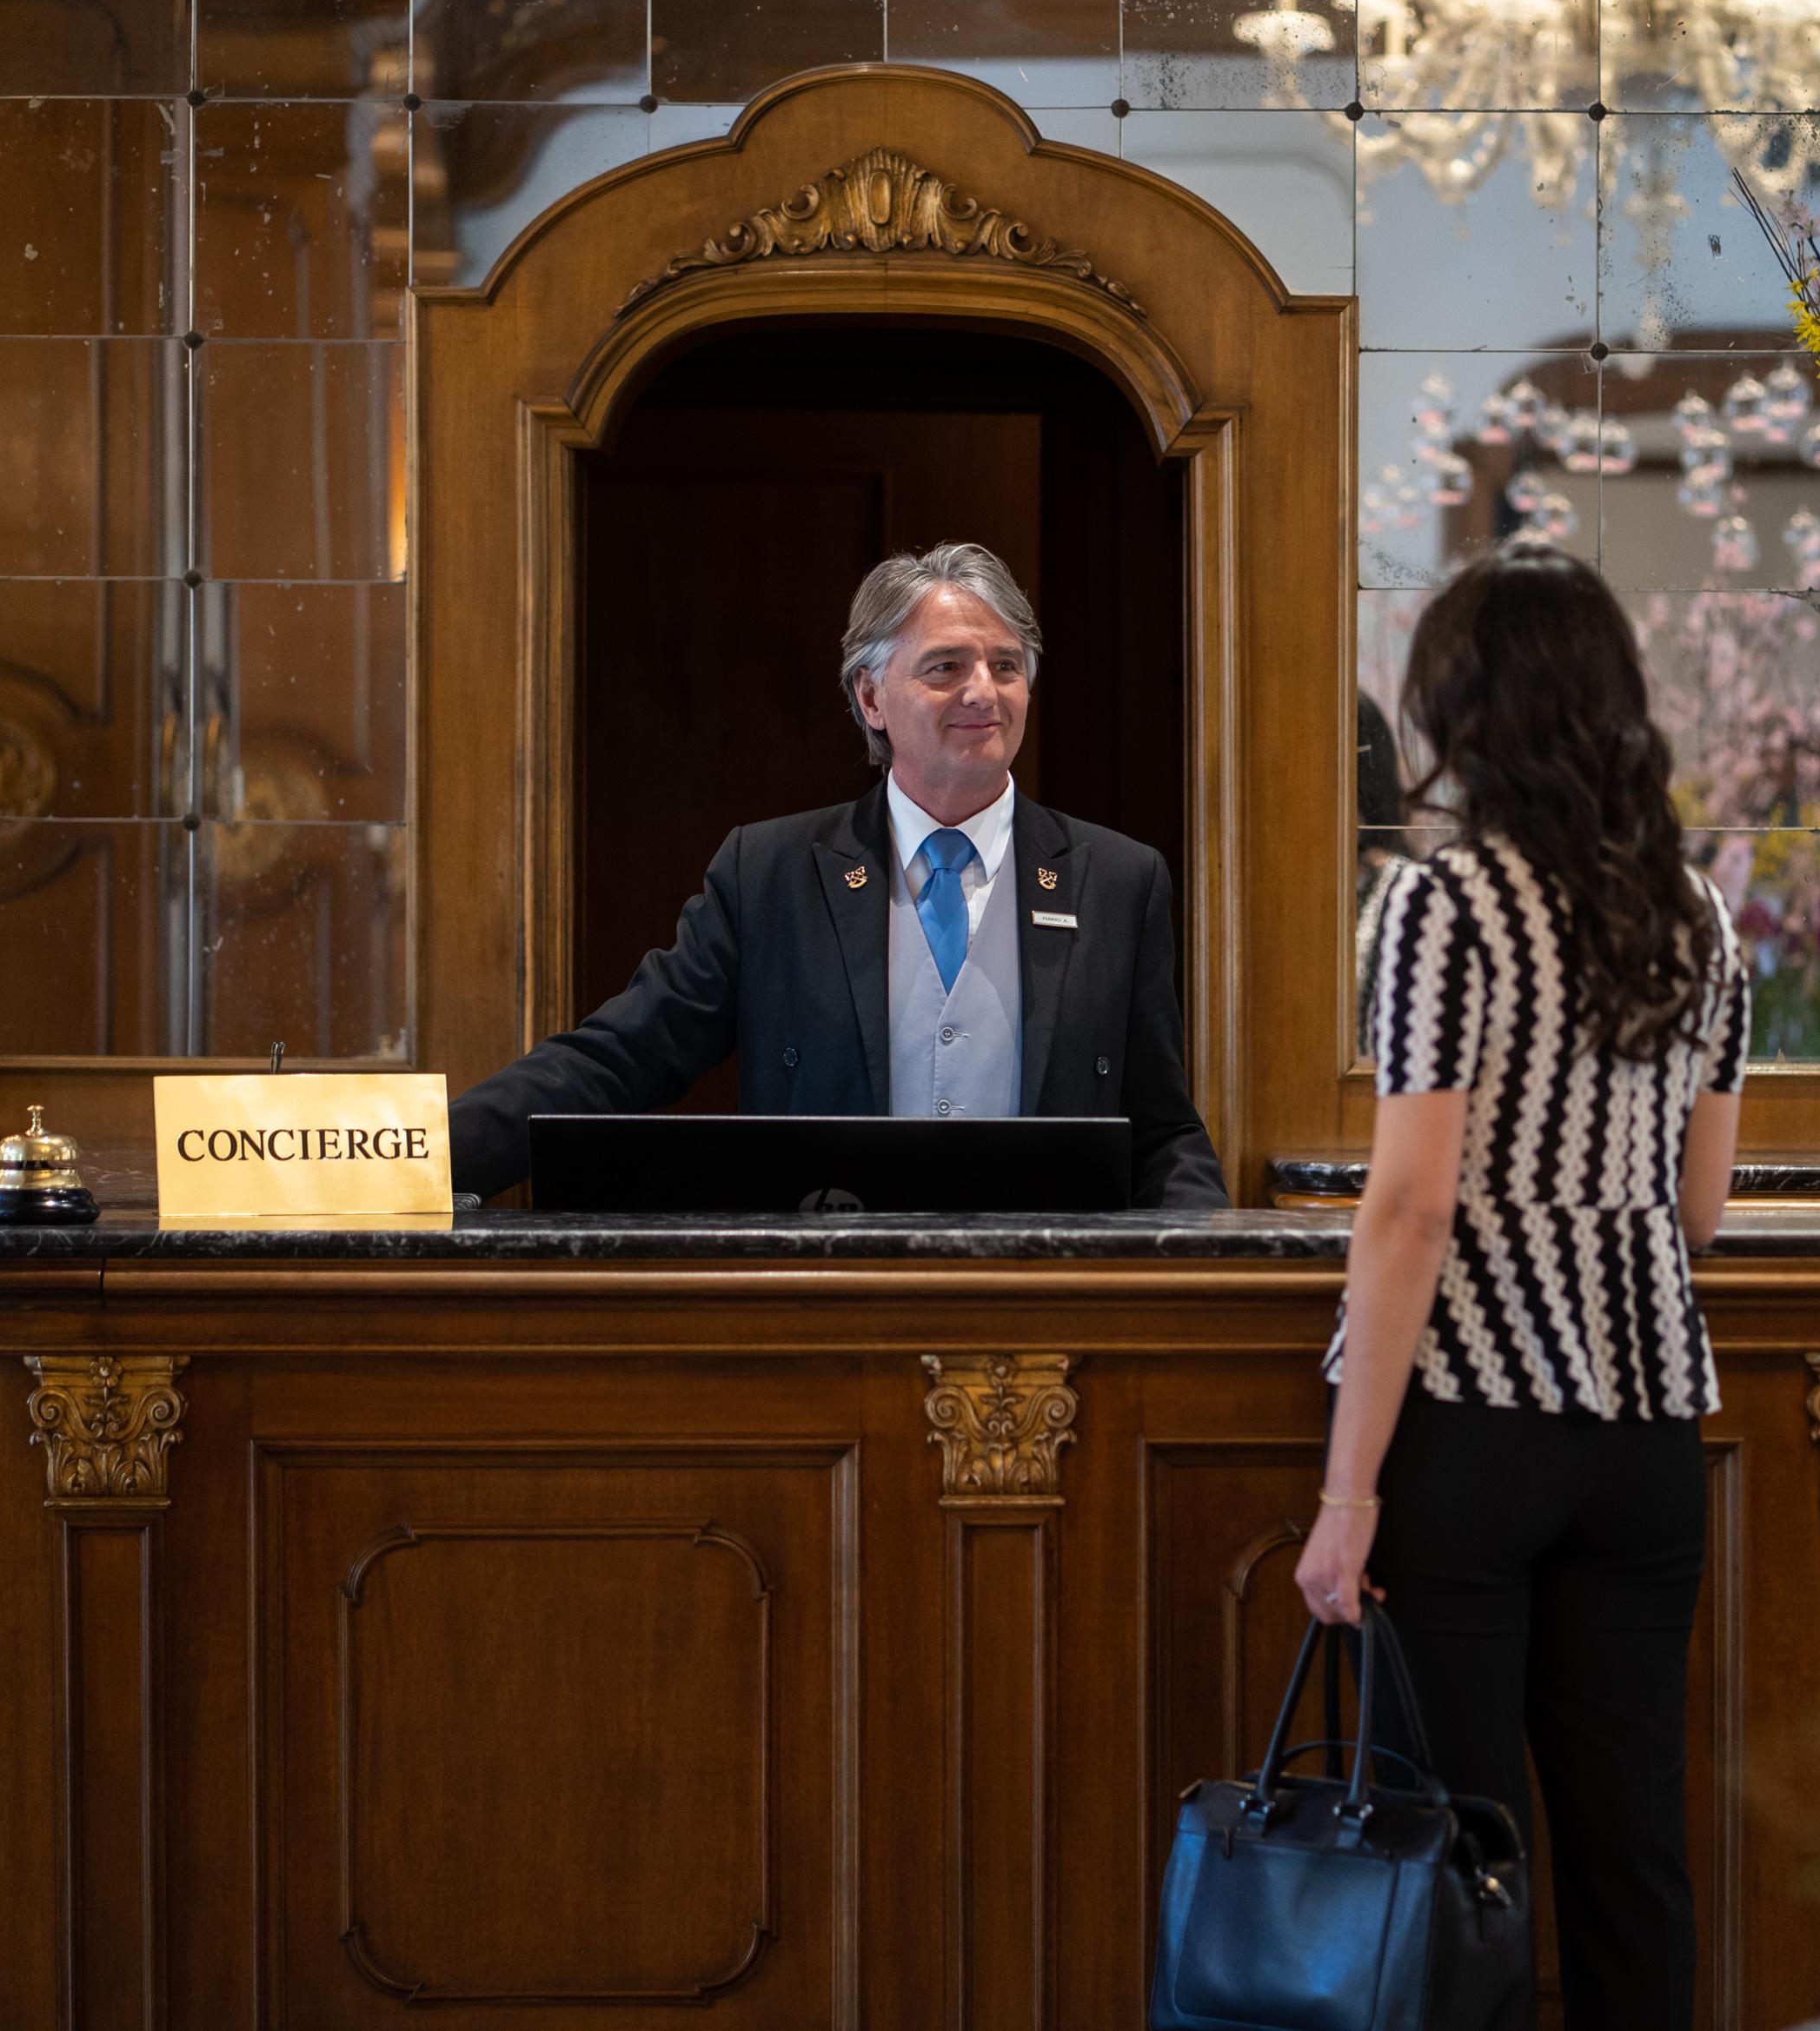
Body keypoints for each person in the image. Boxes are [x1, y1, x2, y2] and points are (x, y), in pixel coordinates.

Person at [1293, 541, 1749, 2031]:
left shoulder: (1447, 905)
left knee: (1464, 1857)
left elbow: (1413, 1205)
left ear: (1464, 710)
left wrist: (1347, 1493)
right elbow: (1699, 1204)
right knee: (1634, 1853)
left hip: (1477, 1423)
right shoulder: (1699, 913)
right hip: (1647, 1425)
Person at [450, 541, 1226, 1208]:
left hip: (1041, 1305)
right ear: (870, 695)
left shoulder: (1120, 880)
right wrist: (422, 1160)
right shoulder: (771, 875)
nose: (983, 692)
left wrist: (1211, 1278)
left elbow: (1162, 1130)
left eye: (1005, 666)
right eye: (946, 667)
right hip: (830, 1296)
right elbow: (622, 1058)